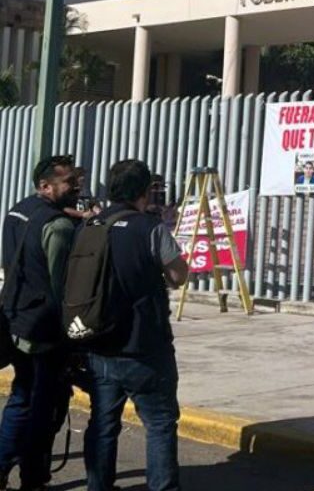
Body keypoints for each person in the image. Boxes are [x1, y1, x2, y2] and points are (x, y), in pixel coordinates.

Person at [83, 159, 189, 491]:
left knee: (102, 424)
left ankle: (98, 485)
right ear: (144, 191)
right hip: (144, 346)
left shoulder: (89, 225)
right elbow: (177, 277)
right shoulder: (150, 229)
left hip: (98, 343)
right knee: (159, 424)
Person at [0, 155, 79, 491]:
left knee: (21, 396)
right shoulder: (58, 227)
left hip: (16, 318)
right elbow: (62, 286)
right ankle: (33, 477)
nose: (75, 187)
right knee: (45, 409)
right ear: (46, 186)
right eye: (69, 182)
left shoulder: (18, 210)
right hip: (45, 330)